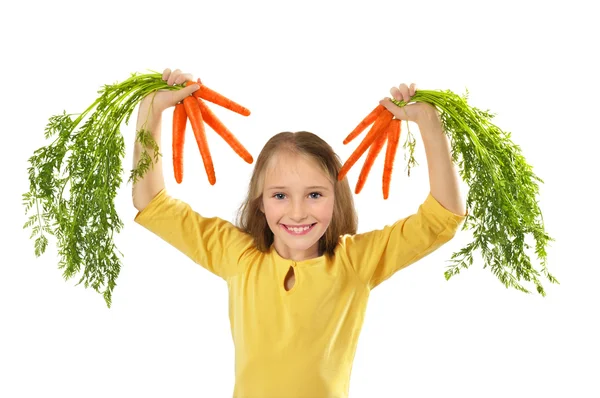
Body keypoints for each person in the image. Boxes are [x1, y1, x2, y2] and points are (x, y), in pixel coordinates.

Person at [132, 68, 467, 397]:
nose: (296, 212)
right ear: (260, 202)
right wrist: (151, 112)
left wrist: (430, 126)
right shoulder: (238, 256)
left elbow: (442, 217)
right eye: (280, 195)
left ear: (336, 200)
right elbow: (152, 203)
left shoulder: (355, 261)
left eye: (314, 194)